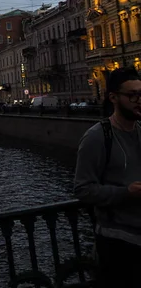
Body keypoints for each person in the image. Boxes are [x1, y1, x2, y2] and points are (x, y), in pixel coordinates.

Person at [74, 66, 141, 288]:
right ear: (113, 97)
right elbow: (83, 189)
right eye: (132, 95)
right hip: (118, 244)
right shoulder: (96, 137)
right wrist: (126, 192)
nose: (138, 100)